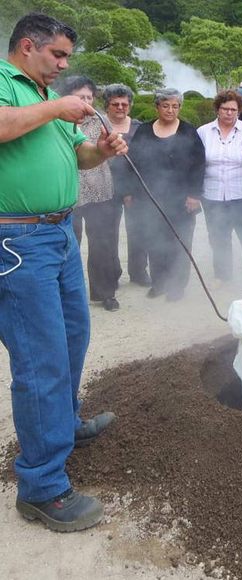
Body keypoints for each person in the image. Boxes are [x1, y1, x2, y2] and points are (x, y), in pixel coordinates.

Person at [0, 13, 127, 531]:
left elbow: (79, 158)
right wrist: (57, 104)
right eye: (57, 55)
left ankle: (64, 424)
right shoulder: (10, 86)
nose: (63, 65)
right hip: (17, 240)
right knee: (40, 358)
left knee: (75, 334)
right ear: (27, 46)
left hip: (58, 233)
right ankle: (42, 486)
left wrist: (103, 148)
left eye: (67, 58)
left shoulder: (40, 92)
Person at [123, 88, 205, 302]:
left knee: (180, 242)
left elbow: (199, 166)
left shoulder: (188, 131)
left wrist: (195, 195)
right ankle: (159, 283)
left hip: (181, 199)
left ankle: (177, 286)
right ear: (157, 106)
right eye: (166, 105)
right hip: (149, 197)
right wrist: (129, 191)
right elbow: (132, 163)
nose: (170, 110)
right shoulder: (144, 131)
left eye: (175, 106)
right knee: (154, 240)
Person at [59, 75, 122, 312]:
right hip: (69, 194)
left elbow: (110, 150)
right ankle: (67, 297)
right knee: (68, 246)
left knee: (103, 244)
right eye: (80, 97)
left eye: (89, 97)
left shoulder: (101, 119)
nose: (86, 102)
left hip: (100, 191)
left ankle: (105, 293)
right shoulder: (60, 120)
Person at [197, 90, 242, 288]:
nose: (229, 113)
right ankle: (222, 275)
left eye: (233, 109)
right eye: (225, 109)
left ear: (239, 110)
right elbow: (197, 163)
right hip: (213, 193)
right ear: (217, 109)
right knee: (218, 236)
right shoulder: (202, 132)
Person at [103, 83, 149, 287]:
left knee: (138, 231)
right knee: (108, 234)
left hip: (134, 189)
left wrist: (132, 190)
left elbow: (144, 159)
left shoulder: (139, 127)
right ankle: (111, 274)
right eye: (115, 104)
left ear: (130, 105)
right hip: (105, 187)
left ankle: (139, 272)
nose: (120, 107)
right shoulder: (100, 126)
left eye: (124, 104)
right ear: (107, 106)